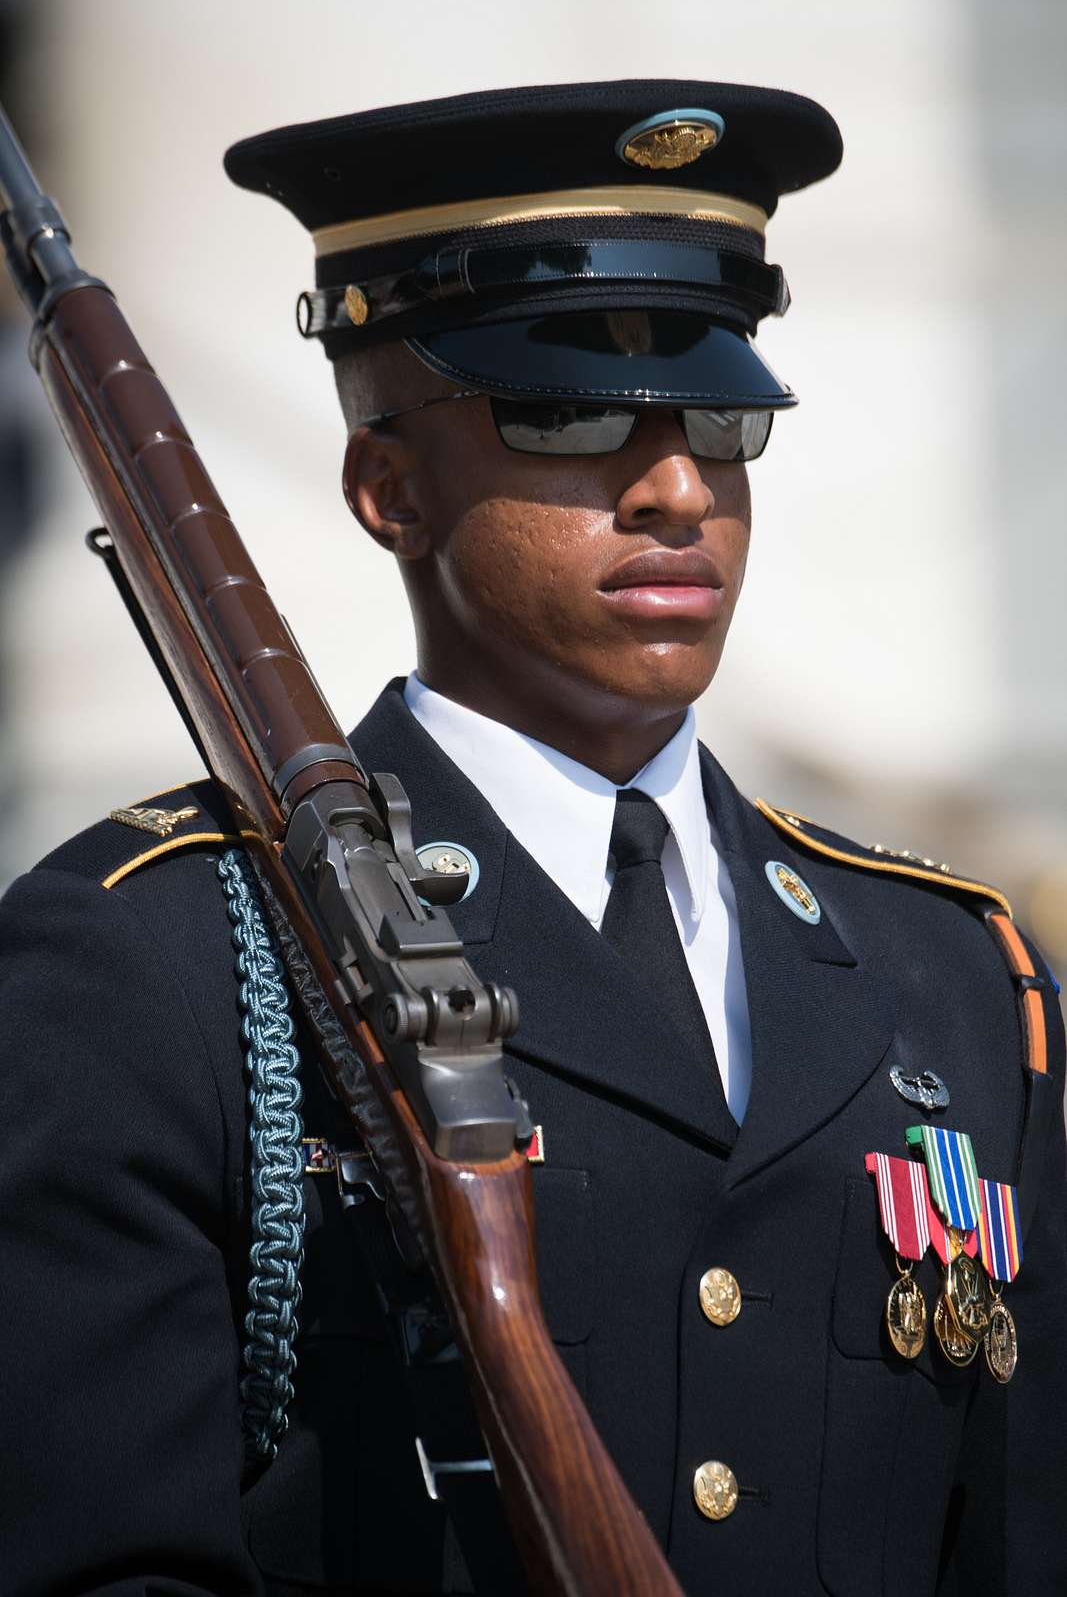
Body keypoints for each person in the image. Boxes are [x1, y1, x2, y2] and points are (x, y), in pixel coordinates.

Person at [1, 79, 1064, 1597]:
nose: (678, 485)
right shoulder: (148, 965)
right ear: (390, 488)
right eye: (568, 413)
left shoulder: (957, 974)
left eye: (721, 413)